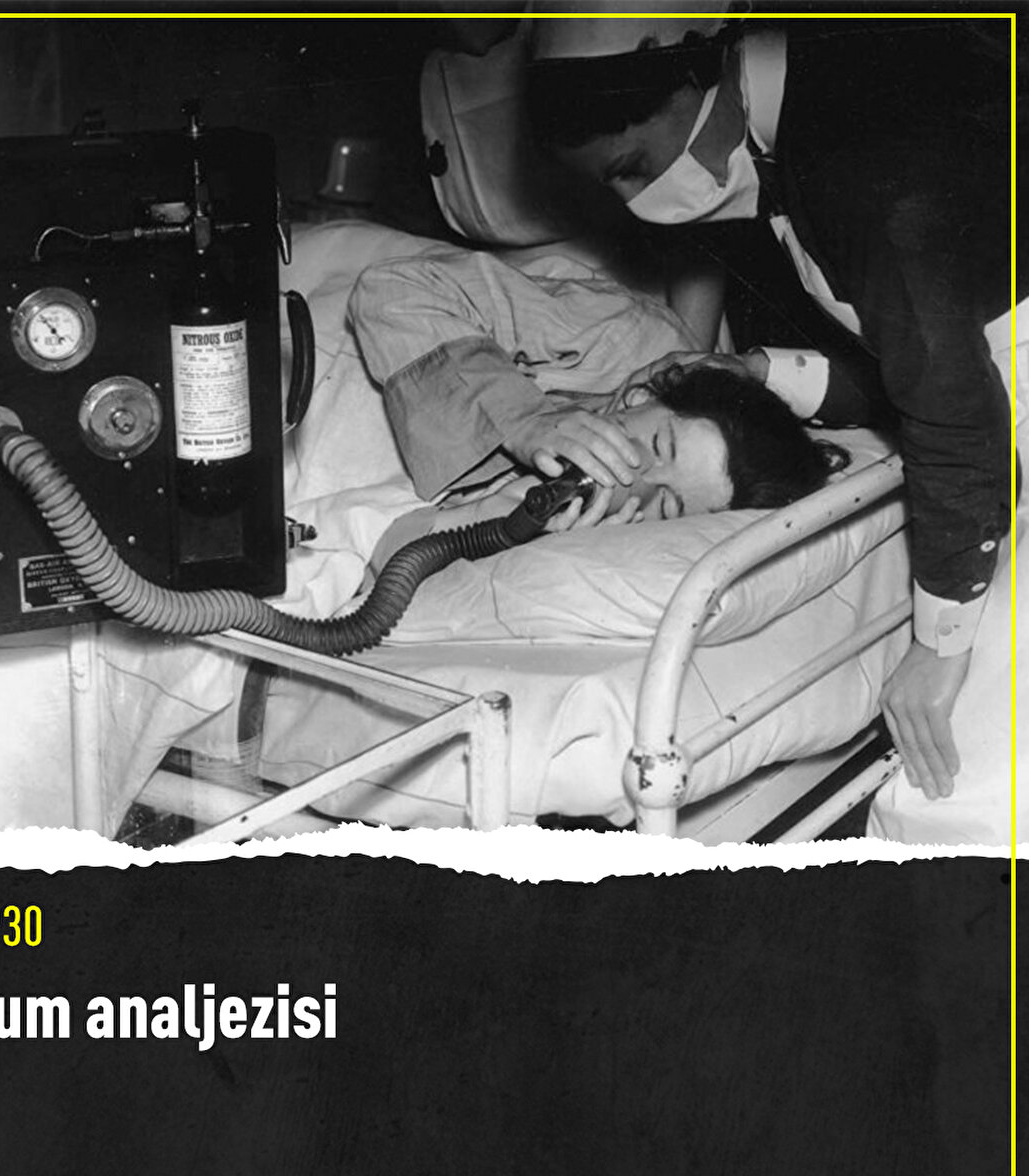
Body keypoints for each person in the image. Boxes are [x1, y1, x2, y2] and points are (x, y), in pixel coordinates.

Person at [524, 11, 1016, 840]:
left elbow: (954, 405)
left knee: (957, 799)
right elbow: (922, 356)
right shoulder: (806, 127)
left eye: (633, 167)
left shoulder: (860, 152)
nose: (637, 202)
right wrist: (757, 372)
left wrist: (939, 647)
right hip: (998, 426)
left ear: (693, 71)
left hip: (993, 438)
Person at [347, 246, 847, 558]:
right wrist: (524, 420)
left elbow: (393, 554)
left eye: (667, 506)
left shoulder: (594, 530)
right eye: (657, 446)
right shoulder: (625, 340)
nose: (634, 480)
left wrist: (511, 525)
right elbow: (393, 289)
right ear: (640, 395)